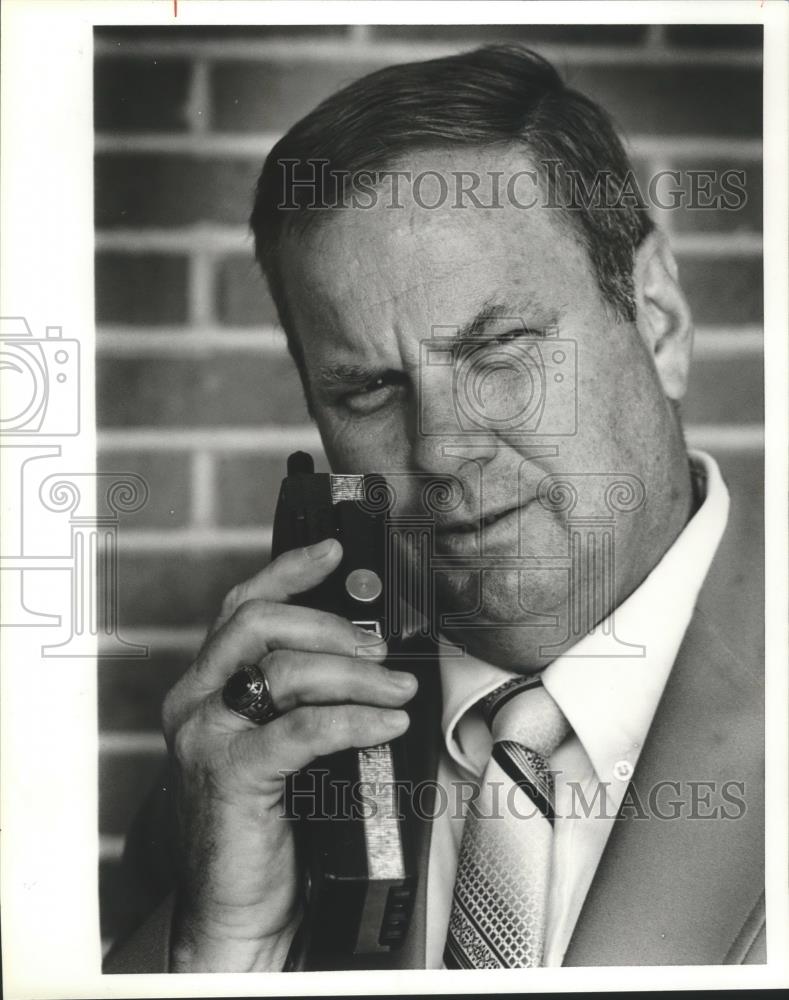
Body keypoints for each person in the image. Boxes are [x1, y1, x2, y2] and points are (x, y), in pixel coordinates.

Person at [104, 45, 765, 972]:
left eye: (498, 350)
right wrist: (226, 953)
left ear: (656, 317)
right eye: (369, 391)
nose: (443, 450)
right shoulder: (229, 795)